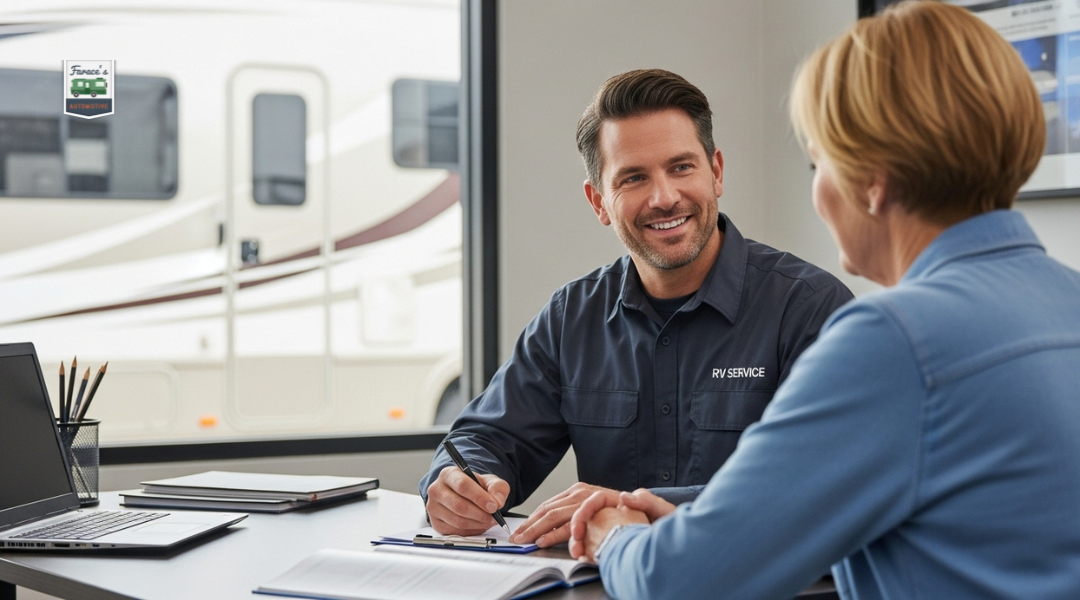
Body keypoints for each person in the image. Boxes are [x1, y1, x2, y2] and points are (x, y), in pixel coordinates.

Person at [568, 2, 1080, 599]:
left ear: (872, 181)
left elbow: (675, 582)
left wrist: (614, 533)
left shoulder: (892, 341)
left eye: (819, 162)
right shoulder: (1066, 299)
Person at [420, 69, 853, 547]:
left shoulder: (809, 308)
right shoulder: (571, 318)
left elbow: (826, 480)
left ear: (716, 172)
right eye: (633, 178)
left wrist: (640, 508)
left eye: (681, 167)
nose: (664, 198)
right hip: (604, 581)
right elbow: (485, 439)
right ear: (599, 202)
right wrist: (457, 483)